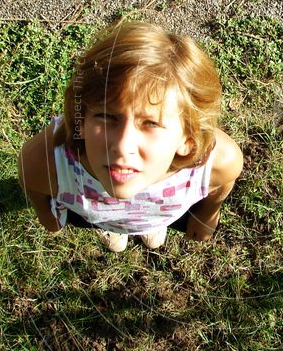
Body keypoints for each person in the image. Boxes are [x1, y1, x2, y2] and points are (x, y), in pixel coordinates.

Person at [18, 20, 243, 252]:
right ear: (81, 120)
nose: (123, 146)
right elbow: (35, 186)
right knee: (109, 224)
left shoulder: (218, 164)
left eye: (151, 123)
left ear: (188, 139)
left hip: (161, 212)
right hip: (93, 213)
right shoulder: (44, 162)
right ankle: (111, 226)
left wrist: (206, 215)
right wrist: (46, 214)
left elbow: (221, 187)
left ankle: (151, 225)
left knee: (151, 225)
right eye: (106, 116)